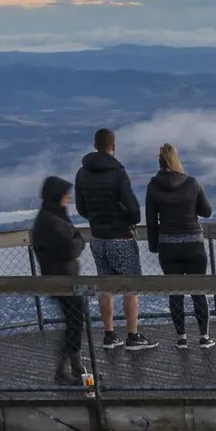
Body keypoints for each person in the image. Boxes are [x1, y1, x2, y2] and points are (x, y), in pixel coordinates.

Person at [72, 128, 150, 352]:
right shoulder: (118, 172)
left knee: (104, 286)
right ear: (113, 146)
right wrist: (129, 220)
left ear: (95, 145)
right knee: (130, 287)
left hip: (98, 238)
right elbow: (132, 207)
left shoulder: (82, 173)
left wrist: (96, 220)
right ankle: (132, 336)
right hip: (122, 237)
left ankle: (109, 334)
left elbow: (80, 207)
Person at [143, 143, 216, 349]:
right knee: (198, 290)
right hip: (193, 244)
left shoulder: (153, 186)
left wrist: (154, 246)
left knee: (175, 292)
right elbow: (207, 211)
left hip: (168, 246)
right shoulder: (192, 183)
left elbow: (150, 219)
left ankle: (181, 337)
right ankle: (204, 336)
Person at [29, 174, 90, 380]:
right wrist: (78, 240)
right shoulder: (52, 221)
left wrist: (76, 239)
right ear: (57, 196)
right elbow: (72, 247)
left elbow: (72, 242)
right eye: (66, 195)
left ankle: (72, 366)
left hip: (63, 279)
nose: (68, 199)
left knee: (74, 321)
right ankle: (68, 368)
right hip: (62, 280)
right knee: (74, 321)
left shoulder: (51, 217)